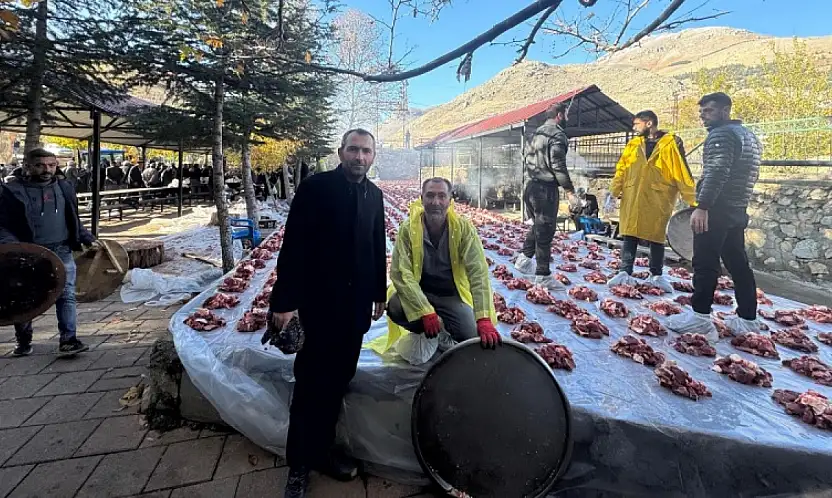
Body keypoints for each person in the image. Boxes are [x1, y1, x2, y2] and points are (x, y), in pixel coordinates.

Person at [269, 129, 387, 498]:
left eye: (366, 151)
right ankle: (299, 466)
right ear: (341, 152)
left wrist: (379, 292)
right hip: (319, 306)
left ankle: (322, 452)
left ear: (373, 156)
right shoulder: (316, 188)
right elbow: (294, 246)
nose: (359, 156)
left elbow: (376, 244)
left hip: (353, 311)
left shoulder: (374, 195)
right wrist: (284, 302)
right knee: (309, 386)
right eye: (353, 149)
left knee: (338, 382)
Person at [667, 93, 763, 340]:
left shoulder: (721, 135)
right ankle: (747, 318)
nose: (703, 116)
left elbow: (717, 171)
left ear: (725, 110)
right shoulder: (748, 135)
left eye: (708, 111)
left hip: (717, 209)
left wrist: (703, 206)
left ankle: (699, 316)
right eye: (702, 112)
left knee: (705, 263)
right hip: (737, 208)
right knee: (738, 263)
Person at [383, 177, 500, 355]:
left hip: (450, 295)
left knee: (471, 334)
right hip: (420, 292)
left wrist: (483, 318)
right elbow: (401, 273)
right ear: (421, 199)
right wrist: (424, 310)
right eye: (430, 196)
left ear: (450, 200)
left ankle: (443, 331)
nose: (435, 202)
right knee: (395, 307)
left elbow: (479, 273)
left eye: (441, 196)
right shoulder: (408, 229)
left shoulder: (463, 229)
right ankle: (427, 331)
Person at [0, 148, 95, 356]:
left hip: (61, 248)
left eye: (51, 165)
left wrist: (86, 237)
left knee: (67, 294)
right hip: (27, 252)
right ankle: (24, 341)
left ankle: (69, 340)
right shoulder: (10, 191)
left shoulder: (64, 187)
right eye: (40, 165)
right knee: (24, 297)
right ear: (27, 166)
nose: (47, 170)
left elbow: (72, 218)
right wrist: (13, 248)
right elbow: (2, 224)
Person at [608, 110, 696, 292]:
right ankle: (625, 271)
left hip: (659, 196)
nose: (634, 128)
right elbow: (622, 168)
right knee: (629, 234)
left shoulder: (671, 143)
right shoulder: (633, 144)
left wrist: (693, 200)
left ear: (649, 123)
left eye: (637, 124)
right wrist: (614, 191)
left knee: (656, 236)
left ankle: (656, 274)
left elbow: (682, 172)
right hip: (633, 195)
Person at [513, 102, 577, 289]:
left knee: (539, 226)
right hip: (545, 190)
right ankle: (542, 275)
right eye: (566, 114)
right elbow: (558, 166)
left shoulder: (536, 134)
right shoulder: (557, 135)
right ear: (559, 115)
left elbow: (526, 160)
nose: (567, 118)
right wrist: (570, 192)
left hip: (531, 187)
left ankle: (524, 259)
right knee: (545, 232)